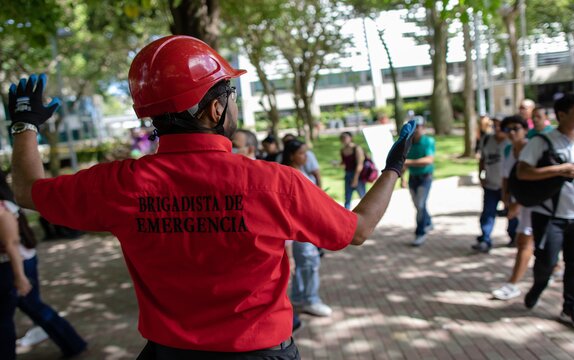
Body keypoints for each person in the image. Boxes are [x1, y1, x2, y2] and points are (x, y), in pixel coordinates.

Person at [8, 35, 417, 359]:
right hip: (259, 354)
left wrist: (25, 124)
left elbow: (26, 191)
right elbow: (357, 230)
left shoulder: (120, 184)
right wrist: (392, 169)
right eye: (230, 96)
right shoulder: (275, 183)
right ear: (215, 109)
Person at [518, 93, 574, 332]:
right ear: (562, 114)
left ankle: (571, 308)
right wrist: (559, 170)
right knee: (546, 261)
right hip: (548, 215)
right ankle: (539, 285)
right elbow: (523, 173)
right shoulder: (541, 142)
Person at [0, 170, 86, 359]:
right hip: (17, 264)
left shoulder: (3, 208)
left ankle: (73, 344)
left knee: (9, 317)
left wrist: (19, 276)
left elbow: (11, 244)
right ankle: (73, 344)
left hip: (14, 265)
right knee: (31, 308)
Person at [281, 140, 332, 317]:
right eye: (302, 153)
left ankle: (299, 297)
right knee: (309, 263)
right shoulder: (291, 174)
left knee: (305, 264)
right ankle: (310, 299)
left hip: (306, 227)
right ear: (291, 155)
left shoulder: (300, 171)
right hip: (299, 229)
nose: (306, 157)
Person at [491, 116, 532, 300]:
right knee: (532, 242)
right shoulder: (509, 150)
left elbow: (535, 182)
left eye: (516, 128)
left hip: (536, 204)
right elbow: (506, 176)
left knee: (524, 242)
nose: (512, 133)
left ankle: (512, 284)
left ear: (525, 129)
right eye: (508, 129)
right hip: (519, 202)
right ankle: (554, 268)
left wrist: (519, 202)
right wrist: (506, 196)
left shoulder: (533, 148)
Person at [473, 118, 518, 253]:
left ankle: (514, 236)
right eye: (495, 126)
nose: (497, 129)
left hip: (510, 186)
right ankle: (485, 239)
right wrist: (481, 174)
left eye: (500, 126)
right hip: (491, 185)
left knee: (512, 213)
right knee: (488, 212)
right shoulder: (487, 139)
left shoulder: (511, 142)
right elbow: (482, 159)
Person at [403, 116, 435, 247]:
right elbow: (403, 163)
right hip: (413, 178)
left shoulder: (428, 141)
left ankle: (420, 232)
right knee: (417, 205)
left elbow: (428, 160)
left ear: (423, 127)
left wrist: (409, 162)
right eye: (414, 127)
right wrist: (403, 178)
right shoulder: (408, 143)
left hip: (425, 177)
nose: (416, 130)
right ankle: (428, 221)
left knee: (420, 205)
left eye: (419, 127)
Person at [339, 131, 366, 209]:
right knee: (347, 197)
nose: (344, 139)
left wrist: (355, 178)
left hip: (357, 175)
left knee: (363, 196)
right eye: (342, 138)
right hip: (347, 174)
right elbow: (344, 162)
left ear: (350, 138)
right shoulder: (342, 150)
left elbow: (359, 164)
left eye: (345, 137)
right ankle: (346, 215)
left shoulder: (356, 148)